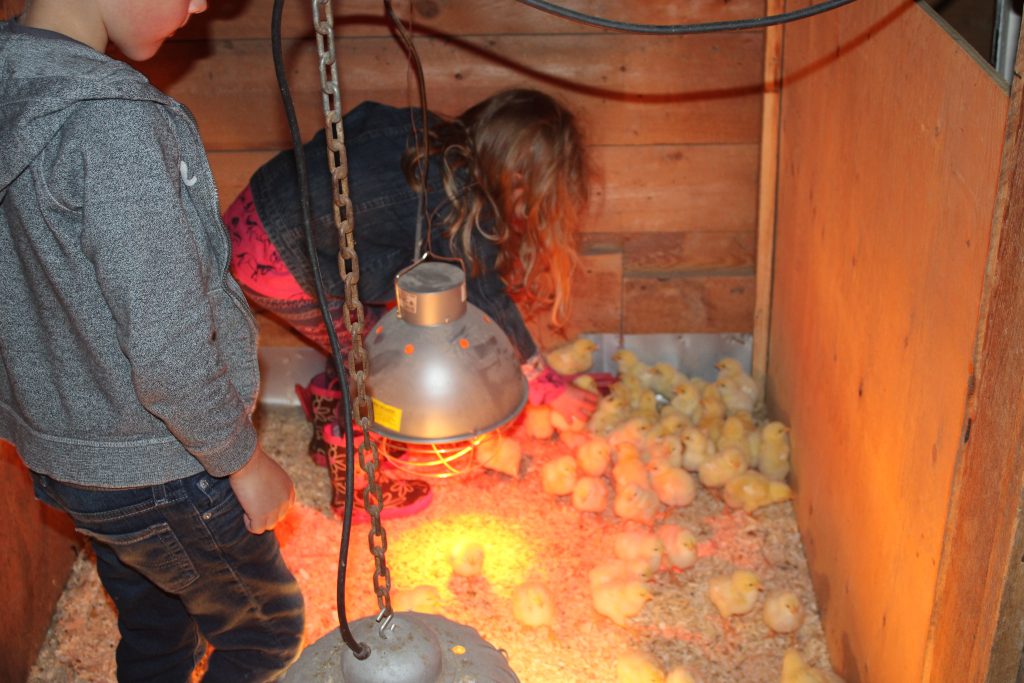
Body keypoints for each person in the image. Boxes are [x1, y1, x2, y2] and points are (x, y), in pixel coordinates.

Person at [0, 2, 304, 681]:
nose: (200, 5)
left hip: (73, 454)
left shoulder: (14, 81)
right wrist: (242, 458)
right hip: (162, 465)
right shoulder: (114, 124)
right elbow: (170, 348)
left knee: (159, 622)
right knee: (265, 629)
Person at [224, 89, 600, 519]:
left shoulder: (420, 132)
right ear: (520, 181)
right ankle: (358, 485)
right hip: (279, 260)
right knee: (373, 365)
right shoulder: (461, 202)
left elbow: (357, 127)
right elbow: (486, 297)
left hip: (252, 215)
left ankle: (327, 410)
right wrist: (544, 381)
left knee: (367, 330)